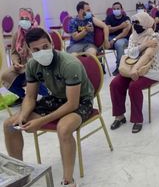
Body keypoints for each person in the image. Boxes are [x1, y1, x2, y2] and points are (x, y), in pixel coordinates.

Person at [3, 28, 95, 187]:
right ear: (29, 51)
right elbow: (30, 97)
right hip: (56, 98)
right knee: (10, 125)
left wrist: (41, 121)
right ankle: (20, 175)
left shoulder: (69, 63)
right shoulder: (32, 65)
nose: (42, 51)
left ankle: (68, 181)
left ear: (52, 44)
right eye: (36, 49)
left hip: (80, 100)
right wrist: (23, 115)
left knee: (64, 128)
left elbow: (72, 104)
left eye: (45, 47)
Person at [110, 12, 159, 133]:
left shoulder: (154, 37)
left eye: (137, 22)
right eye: (133, 22)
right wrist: (143, 45)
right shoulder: (133, 36)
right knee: (115, 84)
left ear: (146, 22)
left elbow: (148, 55)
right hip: (131, 69)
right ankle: (119, 116)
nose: (135, 25)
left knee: (134, 86)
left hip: (150, 71)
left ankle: (137, 119)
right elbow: (129, 52)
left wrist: (136, 69)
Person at [1, 8, 49, 104]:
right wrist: (16, 62)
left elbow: (48, 50)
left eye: (26, 18)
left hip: (38, 66)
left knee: (31, 73)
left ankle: (47, 97)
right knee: (5, 76)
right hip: (22, 67)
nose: (23, 21)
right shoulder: (17, 34)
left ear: (32, 19)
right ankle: (23, 97)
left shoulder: (39, 32)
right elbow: (14, 52)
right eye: (21, 18)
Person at [104, 2, 131, 75]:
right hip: (111, 37)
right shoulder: (109, 17)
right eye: (114, 9)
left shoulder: (126, 18)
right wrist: (120, 27)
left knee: (119, 44)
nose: (116, 10)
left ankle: (120, 67)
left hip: (123, 38)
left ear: (122, 9)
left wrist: (114, 39)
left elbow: (124, 33)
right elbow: (108, 30)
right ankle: (100, 65)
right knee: (99, 42)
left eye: (118, 8)